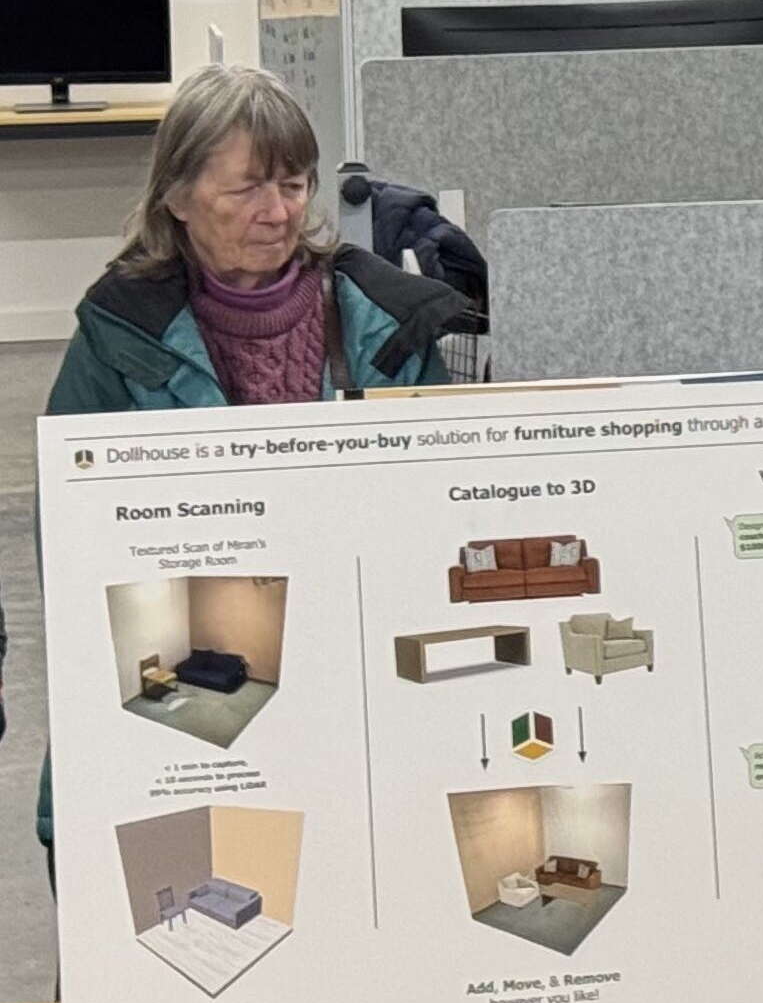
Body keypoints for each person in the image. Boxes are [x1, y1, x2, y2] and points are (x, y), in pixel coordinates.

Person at [37, 63, 470, 882]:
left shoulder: (382, 320)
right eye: (246, 191)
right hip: (192, 668)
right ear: (178, 196)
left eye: (295, 185)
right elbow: (69, 541)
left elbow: (437, 514)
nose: (278, 214)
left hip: (355, 677)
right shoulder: (119, 331)